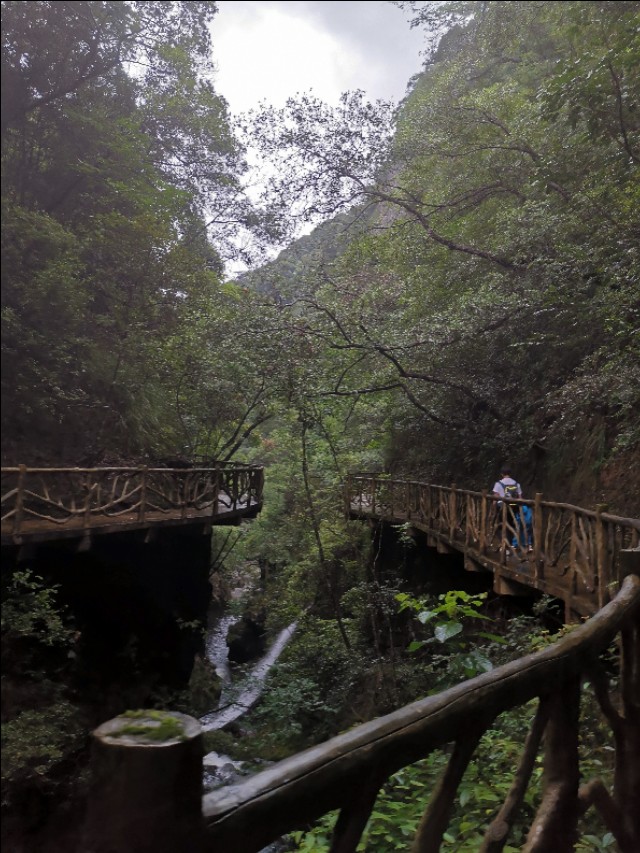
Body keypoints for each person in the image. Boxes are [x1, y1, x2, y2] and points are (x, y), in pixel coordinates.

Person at [492, 466, 533, 553]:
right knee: (514, 525)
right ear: (510, 473)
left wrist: (494, 509)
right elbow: (520, 498)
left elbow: (495, 499)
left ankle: (505, 544)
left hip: (502, 508)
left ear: (502, 474)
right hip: (514, 508)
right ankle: (513, 544)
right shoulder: (516, 484)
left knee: (503, 525)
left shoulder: (498, 484)